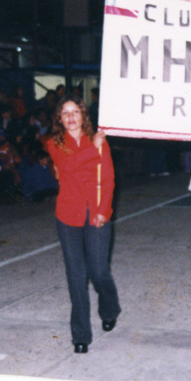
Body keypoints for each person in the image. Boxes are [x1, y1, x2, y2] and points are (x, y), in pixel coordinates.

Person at [46, 95, 121, 354]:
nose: (70, 117)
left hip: (96, 212)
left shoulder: (99, 141)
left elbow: (109, 179)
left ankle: (110, 308)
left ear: (83, 115)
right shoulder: (54, 143)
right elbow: (67, 166)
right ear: (59, 119)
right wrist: (93, 148)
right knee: (76, 276)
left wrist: (104, 211)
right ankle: (81, 334)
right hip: (68, 216)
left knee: (99, 271)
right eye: (65, 113)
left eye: (75, 112)